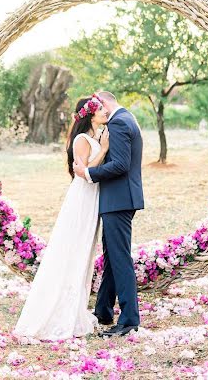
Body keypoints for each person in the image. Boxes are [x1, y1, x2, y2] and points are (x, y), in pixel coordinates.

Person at [13, 94, 109, 341]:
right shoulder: (81, 138)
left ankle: (76, 307)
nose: (105, 112)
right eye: (100, 109)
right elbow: (86, 172)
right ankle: (59, 311)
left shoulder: (93, 136)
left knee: (85, 250)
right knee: (74, 249)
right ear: (89, 113)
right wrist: (105, 148)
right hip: (82, 198)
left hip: (92, 198)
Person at [73, 90, 144, 337]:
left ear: (102, 102)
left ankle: (128, 319)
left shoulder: (118, 122)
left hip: (118, 199)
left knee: (120, 258)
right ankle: (103, 309)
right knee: (112, 257)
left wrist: (89, 174)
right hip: (118, 199)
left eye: (98, 106)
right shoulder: (126, 118)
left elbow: (122, 164)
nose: (98, 111)